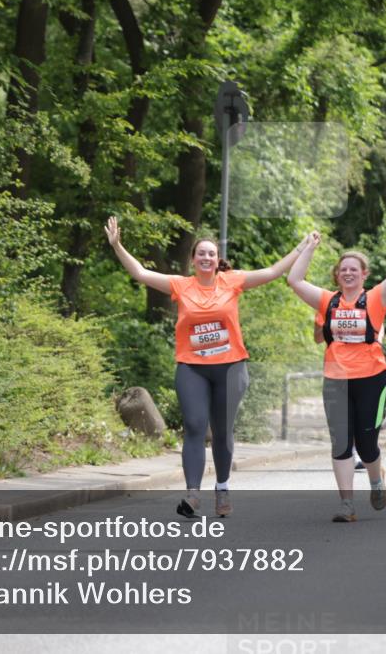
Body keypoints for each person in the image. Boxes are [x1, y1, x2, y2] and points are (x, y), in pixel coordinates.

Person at [105, 217, 310, 518]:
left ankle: (223, 486)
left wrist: (301, 247)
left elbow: (272, 272)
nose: (206, 257)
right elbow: (140, 273)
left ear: (217, 260)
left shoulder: (232, 281)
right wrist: (117, 245)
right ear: (192, 259)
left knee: (223, 431)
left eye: (211, 254)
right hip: (192, 368)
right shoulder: (180, 285)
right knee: (196, 427)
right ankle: (192, 495)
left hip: (230, 368)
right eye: (200, 253)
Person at [287, 210, 386, 523]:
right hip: (336, 379)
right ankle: (347, 504)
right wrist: (308, 248)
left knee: (367, 441)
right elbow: (294, 279)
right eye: (343, 269)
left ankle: (376, 480)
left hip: (372, 379)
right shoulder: (327, 300)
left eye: (353, 269)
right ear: (336, 275)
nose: (347, 274)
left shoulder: (375, 299)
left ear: (364, 274)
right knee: (341, 441)